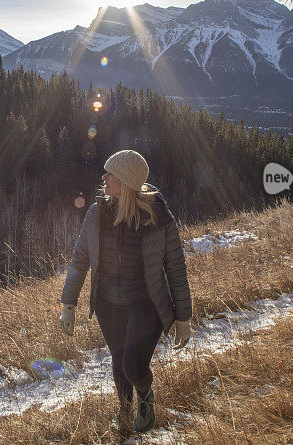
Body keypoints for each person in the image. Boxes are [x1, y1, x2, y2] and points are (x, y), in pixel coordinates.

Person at [59, 149, 192, 435]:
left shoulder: (159, 218)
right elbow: (79, 260)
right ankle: (123, 411)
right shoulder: (97, 213)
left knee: (133, 365)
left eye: (111, 174)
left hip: (147, 304)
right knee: (118, 359)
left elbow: (176, 270)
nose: (104, 177)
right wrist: (68, 304)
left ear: (127, 182)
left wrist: (184, 318)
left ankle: (145, 396)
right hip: (108, 304)